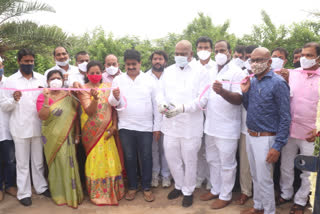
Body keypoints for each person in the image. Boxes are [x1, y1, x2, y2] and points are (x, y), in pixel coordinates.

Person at [157, 40, 209, 207]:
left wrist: (182, 108)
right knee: (172, 158)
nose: (179, 56)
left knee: (190, 160)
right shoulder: (168, 71)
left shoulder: (200, 71)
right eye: (177, 53)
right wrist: (161, 104)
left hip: (190, 126)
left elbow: (203, 100)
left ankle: (188, 190)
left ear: (191, 55)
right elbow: (160, 92)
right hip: (170, 124)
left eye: (183, 53)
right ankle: (179, 185)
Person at [240, 47, 291, 214]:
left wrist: (277, 145)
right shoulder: (252, 81)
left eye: (259, 60)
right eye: (253, 60)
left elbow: (285, 117)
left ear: (269, 62)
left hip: (266, 137)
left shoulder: (278, 83)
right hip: (251, 134)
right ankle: (258, 207)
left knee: (265, 180)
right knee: (256, 177)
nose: (255, 64)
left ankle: (269, 211)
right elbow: (250, 107)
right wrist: (245, 92)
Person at [109, 49, 161, 202]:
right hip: (125, 126)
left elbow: (156, 104)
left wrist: (157, 127)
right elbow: (112, 103)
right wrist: (115, 97)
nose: (131, 67)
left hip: (145, 127)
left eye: (134, 64)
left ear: (140, 63)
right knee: (130, 157)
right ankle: (132, 186)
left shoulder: (149, 80)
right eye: (128, 64)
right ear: (124, 64)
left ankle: (146, 187)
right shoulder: (118, 80)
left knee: (146, 156)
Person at [0, 49, 50, 206]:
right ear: (19, 62)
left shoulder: (41, 79)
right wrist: (14, 100)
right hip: (19, 127)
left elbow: (47, 100)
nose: (29, 64)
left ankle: (41, 187)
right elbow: (4, 106)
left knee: (38, 161)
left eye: (31, 61)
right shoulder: (10, 81)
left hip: (38, 126)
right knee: (22, 163)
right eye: (26, 61)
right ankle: (24, 193)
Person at [199, 40, 245, 209]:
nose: (219, 53)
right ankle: (215, 189)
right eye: (216, 50)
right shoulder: (209, 70)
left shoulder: (236, 72)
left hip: (227, 127)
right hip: (210, 126)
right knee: (212, 159)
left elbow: (239, 99)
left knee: (227, 164)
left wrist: (222, 91)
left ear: (229, 52)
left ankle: (225, 195)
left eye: (222, 50)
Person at [278, 42, 320, 214]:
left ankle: (301, 200)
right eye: (303, 55)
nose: (304, 58)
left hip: (310, 134)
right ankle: (285, 193)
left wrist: (318, 132)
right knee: (285, 165)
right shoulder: (293, 74)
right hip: (289, 130)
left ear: (318, 58)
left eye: (309, 55)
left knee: (307, 170)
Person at [76, 61, 125, 205]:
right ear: (87, 74)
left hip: (108, 132)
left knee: (110, 162)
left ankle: (114, 192)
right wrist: (95, 99)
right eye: (92, 73)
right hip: (91, 135)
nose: (95, 75)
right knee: (95, 162)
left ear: (101, 73)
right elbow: (89, 112)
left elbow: (114, 109)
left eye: (98, 72)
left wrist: (114, 126)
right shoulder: (83, 90)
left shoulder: (108, 87)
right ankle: (98, 193)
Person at [36, 70, 83, 208]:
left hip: (67, 135)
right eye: (52, 78)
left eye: (58, 78)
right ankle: (60, 194)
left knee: (68, 161)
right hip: (50, 137)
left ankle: (72, 194)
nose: (55, 80)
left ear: (63, 81)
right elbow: (43, 116)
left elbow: (75, 116)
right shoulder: (42, 96)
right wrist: (45, 99)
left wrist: (77, 134)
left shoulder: (69, 95)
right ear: (48, 81)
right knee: (56, 164)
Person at [146, 50, 171, 188]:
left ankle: (166, 175)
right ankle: (155, 176)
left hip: (168, 118)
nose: (157, 61)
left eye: (160, 59)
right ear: (151, 61)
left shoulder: (171, 76)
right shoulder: (145, 77)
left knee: (166, 149)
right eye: (155, 59)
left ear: (165, 61)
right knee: (153, 149)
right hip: (151, 120)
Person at [194, 36, 214, 190]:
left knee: (211, 150)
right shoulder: (191, 68)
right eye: (200, 48)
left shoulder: (216, 67)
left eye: (206, 48)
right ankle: (199, 177)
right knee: (198, 150)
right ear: (196, 50)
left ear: (211, 50)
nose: (203, 51)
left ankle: (211, 180)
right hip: (195, 113)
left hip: (213, 115)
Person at [0, 56, 17, 202]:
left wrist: (14, 99)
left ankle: (11, 185)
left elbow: (15, 102)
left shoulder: (10, 82)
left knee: (10, 160)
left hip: (7, 128)